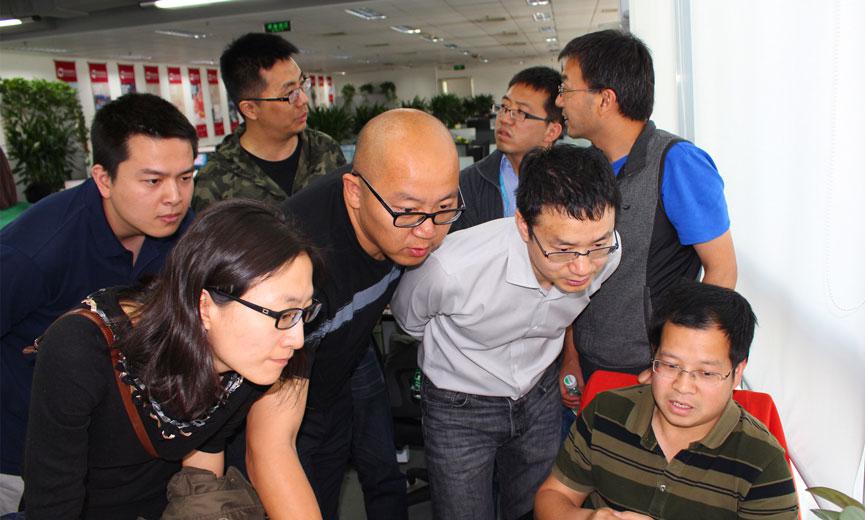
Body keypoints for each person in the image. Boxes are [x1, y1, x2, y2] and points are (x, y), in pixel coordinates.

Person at [23, 199, 321, 519]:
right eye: (283, 314)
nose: (297, 338)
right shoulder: (80, 350)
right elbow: (53, 505)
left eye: (303, 312)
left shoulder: (247, 361)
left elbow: (203, 457)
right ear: (204, 306)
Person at [245, 108, 462, 519]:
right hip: (285, 382)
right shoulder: (297, 265)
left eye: (445, 207)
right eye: (408, 211)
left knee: (352, 478)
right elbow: (267, 447)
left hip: (342, 364)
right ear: (354, 193)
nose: (428, 231)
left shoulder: (406, 209)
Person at [390, 145, 622, 520]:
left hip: (540, 393)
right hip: (459, 404)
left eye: (596, 246)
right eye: (563, 249)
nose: (582, 268)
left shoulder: (608, 253)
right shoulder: (452, 268)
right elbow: (409, 318)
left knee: (533, 509)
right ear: (523, 226)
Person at [0, 93, 196, 513]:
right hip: (26, 458)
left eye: (185, 177)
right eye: (153, 181)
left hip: (125, 457)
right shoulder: (34, 253)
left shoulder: (185, 231)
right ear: (103, 180)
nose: (175, 197)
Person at [554, 30, 738, 413]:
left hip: (645, 372)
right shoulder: (587, 166)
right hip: (589, 361)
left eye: (566, 88)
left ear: (605, 99)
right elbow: (574, 275)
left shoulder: (677, 163)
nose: (559, 100)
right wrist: (570, 354)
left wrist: (673, 366)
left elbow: (722, 271)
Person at [535, 281, 799, 520]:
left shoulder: (763, 460)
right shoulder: (606, 412)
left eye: (706, 373)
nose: (682, 387)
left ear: (738, 371)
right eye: (670, 365)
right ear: (654, 355)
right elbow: (554, 496)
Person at [191, 32, 346, 211]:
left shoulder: (325, 150)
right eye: (290, 94)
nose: (303, 100)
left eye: (302, 84)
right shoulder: (215, 182)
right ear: (250, 109)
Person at [451, 66, 563, 232]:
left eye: (521, 112)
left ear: (551, 131)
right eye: (504, 107)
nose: (504, 119)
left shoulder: (574, 183)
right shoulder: (467, 183)